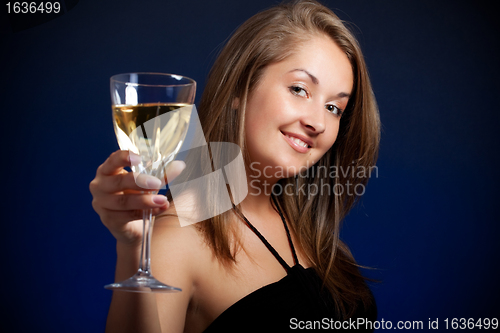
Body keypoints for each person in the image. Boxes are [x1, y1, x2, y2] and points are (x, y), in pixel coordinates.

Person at [90, 0, 381, 332]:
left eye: (333, 107)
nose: (318, 122)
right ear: (241, 88)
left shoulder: (309, 231)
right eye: (299, 89)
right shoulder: (177, 235)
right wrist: (131, 250)